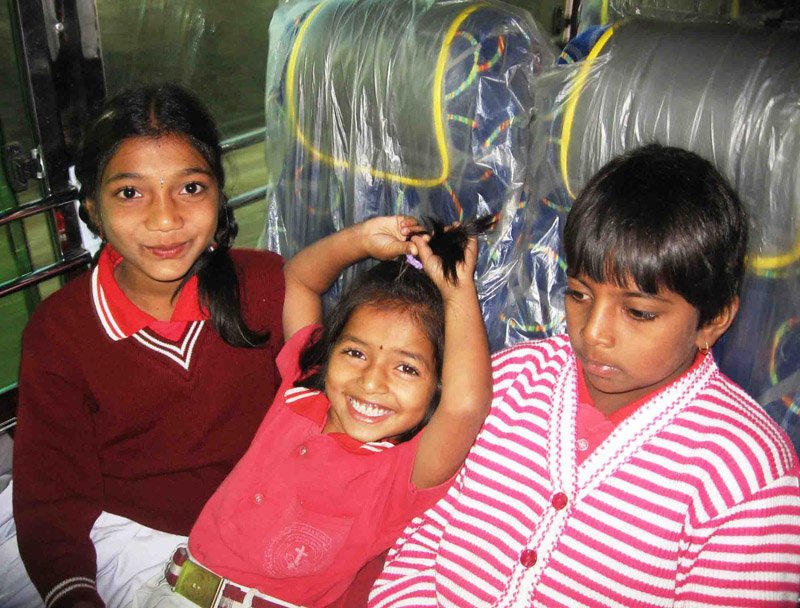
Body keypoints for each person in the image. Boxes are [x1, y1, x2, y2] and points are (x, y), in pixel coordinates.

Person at [369, 145, 800, 607]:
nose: (593, 333)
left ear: (712, 321)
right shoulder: (507, 382)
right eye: (579, 294)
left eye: (638, 312)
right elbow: (421, 531)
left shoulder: (747, 471)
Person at [0, 84, 285, 608]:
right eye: (130, 193)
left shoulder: (268, 286)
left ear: (219, 194)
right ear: (93, 207)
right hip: (126, 536)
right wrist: (73, 592)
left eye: (190, 188)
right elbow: (51, 495)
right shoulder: (60, 332)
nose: (165, 219)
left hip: (256, 524)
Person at [137, 214, 494, 608]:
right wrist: (360, 240)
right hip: (171, 590)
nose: (371, 382)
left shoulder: (406, 470)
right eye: (355, 353)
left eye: (406, 368)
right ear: (329, 351)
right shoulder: (301, 388)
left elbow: (465, 406)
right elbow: (300, 280)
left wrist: (457, 291)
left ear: (437, 387)